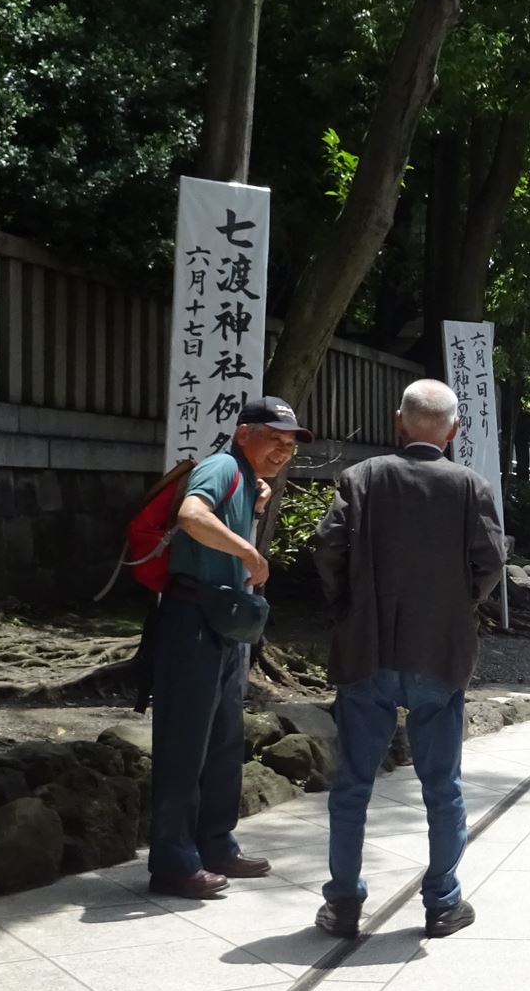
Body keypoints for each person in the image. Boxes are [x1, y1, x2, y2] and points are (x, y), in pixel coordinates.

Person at [311, 379, 506, 939]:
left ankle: (344, 902)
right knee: (442, 785)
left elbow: (329, 547)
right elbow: (490, 560)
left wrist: (346, 605)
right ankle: (442, 901)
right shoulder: (469, 486)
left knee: (353, 785)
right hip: (439, 653)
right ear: (453, 429)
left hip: (366, 649)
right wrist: (459, 604)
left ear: (400, 422)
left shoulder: (363, 478)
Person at [147, 395, 310, 900]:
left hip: (225, 624)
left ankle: (215, 844)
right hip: (192, 619)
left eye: (290, 444)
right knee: (183, 744)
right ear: (244, 433)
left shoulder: (246, 479)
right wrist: (246, 549)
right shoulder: (221, 466)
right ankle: (173, 861)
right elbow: (192, 515)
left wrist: (255, 510)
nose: (283, 450)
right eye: (274, 438)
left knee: (221, 741)